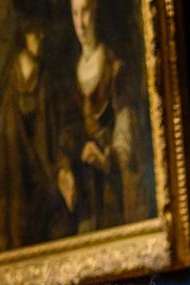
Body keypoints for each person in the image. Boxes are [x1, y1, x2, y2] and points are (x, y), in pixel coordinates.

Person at [56, 0, 152, 233]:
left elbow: (126, 134)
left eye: (86, 12)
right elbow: (67, 133)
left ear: (96, 13)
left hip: (113, 191)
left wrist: (106, 157)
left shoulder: (115, 69)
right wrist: (65, 168)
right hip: (85, 198)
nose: (80, 23)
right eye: (75, 14)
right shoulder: (70, 76)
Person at [0, 4, 69, 251]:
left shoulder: (47, 78)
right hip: (20, 172)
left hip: (45, 167)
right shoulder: (11, 81)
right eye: (36, 34)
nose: (41, 38)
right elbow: (8, 136)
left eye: (42, 33)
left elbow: (59, 122)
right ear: (24, 37)